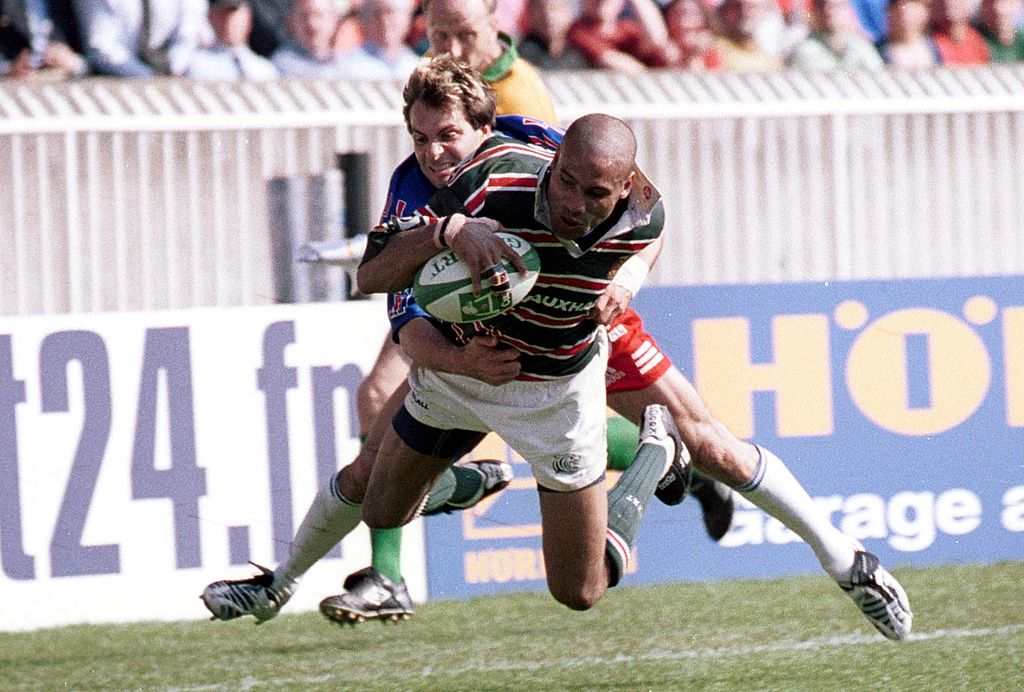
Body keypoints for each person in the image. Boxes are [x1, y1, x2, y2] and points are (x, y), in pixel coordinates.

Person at [202, 57, 912, 641]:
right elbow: (377, 284)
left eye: (592, 191)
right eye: (565, 182)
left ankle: (654, 466)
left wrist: (631, 274)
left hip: (555, 393)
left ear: (623, 189)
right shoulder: (480, 186)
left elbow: (652, 225)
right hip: (460, 376)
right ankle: (300, 573)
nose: (572, 200)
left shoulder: (631, 202)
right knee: (380, 506)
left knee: (580, 591)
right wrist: (449, 234)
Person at [76, 0, 206, 77]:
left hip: (168, 66)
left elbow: (187, 34)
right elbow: (101, 46)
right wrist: (148, 77)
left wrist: (173, 68)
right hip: (120, 71)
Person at [566, 0, 674, 73]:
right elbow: (615, 63)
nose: (599, 2)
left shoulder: (628, 28)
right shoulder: (578, 31)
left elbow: (657, 41)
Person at [185, 0, 279, 81]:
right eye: (223, 14)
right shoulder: (196, 66)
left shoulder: (266, 70)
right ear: (210, 16)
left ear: (248, 17)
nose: (229, 21)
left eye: (234, 14)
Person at [334, 0, 420, 80]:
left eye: (390, 12)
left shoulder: (417, 67)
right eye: (377, 13)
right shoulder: (347, 67)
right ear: (365, 19)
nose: (384, 20)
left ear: (407, 18)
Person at [0, 0, 87, 79]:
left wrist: (74, 62)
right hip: (14, 82)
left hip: (62, 79)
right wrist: (8, 69)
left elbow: (94, 54)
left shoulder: (68, 4)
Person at [787, 0, 885, 68]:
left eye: (835, 6)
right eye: (823, 5)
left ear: (848, 10)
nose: (828, 10)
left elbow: (880, 77)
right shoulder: (805, 50)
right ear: (815, 11)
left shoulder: (861, 47)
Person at [270, 0, 349, 78]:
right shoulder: (279, 66)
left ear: (335, 21)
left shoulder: (354, 65)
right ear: (291, 22)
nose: (312, 24)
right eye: (304, 16)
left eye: (319, 15)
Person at [650, 0, 723, 71]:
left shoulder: (713, 54)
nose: (683, 22)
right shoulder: (656, 53)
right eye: (677, 14)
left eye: (692, 14)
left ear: (703, 21)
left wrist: (694, 56)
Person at [516, 0, 590, 70]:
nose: (548, 16)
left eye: (555, 9)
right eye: (541, 9)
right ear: (530, 12)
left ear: (569, 12)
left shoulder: (582, 52)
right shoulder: (521, 56)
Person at [713, 0, 786, 71]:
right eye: (739, 7)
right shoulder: (719, 48)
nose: (746, 12)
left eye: (752, 8)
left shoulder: (771, 58)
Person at [877, 0, 940, 68]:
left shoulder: (938, 48)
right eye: (896, 3)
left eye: (912, 2)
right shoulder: (875, 52)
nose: (903, 8)